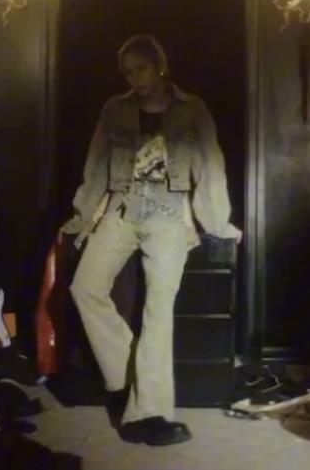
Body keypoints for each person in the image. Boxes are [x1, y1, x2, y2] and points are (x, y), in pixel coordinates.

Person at [63, 34, 243, 446]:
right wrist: (80, 219)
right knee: (84, 287)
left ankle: (150, 411)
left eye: (141, 68)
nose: (135, 78)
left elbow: (211, 166)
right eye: (128, 72)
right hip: (121, 206)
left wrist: (218, 223)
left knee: (158, 311)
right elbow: (96, 165)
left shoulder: (192, 108)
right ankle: (128, 376)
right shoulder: (115, 108)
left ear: (160, 66)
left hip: (169, 212)